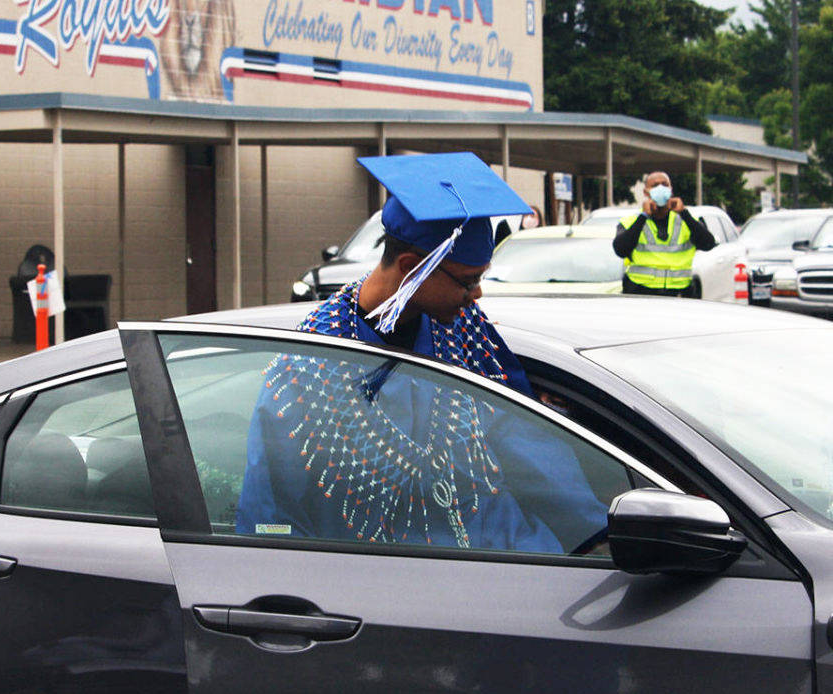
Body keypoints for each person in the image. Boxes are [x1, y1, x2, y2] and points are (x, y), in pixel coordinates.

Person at [235, 152, 608, 552]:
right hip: (382, 580)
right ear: (413, 267)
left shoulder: (467, 335)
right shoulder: (308, 367)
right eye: (467, 283)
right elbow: (270, 515)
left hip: (505, 557)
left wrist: (598, 536)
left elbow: (527, 442)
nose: (476, 296)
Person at [611, 171, 715, 297]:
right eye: (655, 186)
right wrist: (643, 217)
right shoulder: (630, 222)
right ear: (646, 192)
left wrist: (684, 214)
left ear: (671, 190)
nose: (661, 188)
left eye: (665, 185)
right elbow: (620, 250)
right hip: (640, 293)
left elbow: (708, 244)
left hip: (679, 294)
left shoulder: (686, 219)